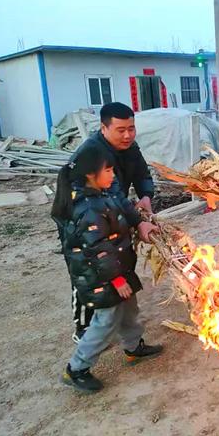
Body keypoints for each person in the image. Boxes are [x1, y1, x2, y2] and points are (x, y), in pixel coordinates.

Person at [52, 145, 163, 393]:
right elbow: (98, 250)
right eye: (109, 170)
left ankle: (134, 347)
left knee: (129, 309)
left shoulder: (103, 194)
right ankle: (76, 368)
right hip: (101, 276)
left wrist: (140, 224)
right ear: (92, 173)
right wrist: (116, 280)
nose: (113, 175)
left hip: (118, 268)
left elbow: (122, 212)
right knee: (106, 320)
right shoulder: (87, 207)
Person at [63, 102, 157, 343]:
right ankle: (83, 329)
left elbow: (142, 175)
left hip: (112, 212)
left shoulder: (130, 148)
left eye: (131, 128)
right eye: (120, 130)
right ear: (104, 128)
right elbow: (113, 194)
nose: (127, 135)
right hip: (80, 220)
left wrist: (145, 196)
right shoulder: (92, 155)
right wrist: (139, 222)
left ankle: (122, 330)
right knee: (86, 271)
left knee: (116, 263)